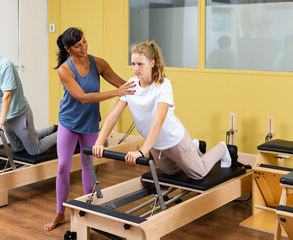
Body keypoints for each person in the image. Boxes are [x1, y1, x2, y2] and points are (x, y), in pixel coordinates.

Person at [93, 40, 232, 181]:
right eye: (133, 64)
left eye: (140, 64)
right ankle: (194, 147)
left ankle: (222, 149)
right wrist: (99, 141)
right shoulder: (131, 84)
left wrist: (142, 151)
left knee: (198, 173)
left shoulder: (163, 85)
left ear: (152, 63)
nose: (136, 68)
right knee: (171, 172)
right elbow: (113, 115)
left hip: (173, 139)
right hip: (155, 142)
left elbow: (159, 120)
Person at [43, 27, 135, 231]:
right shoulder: (64, 69)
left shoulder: (98, 63)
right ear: (68, 49)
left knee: (88, 165)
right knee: (63, 166)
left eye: (85, 41)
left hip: (90, 122)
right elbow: (82, 97)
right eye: (78, 45)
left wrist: (145, 85)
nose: (84, 47)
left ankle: (89, 210)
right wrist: (115, 93)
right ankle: (59, 213)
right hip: (69, 122)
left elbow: (122, 84)